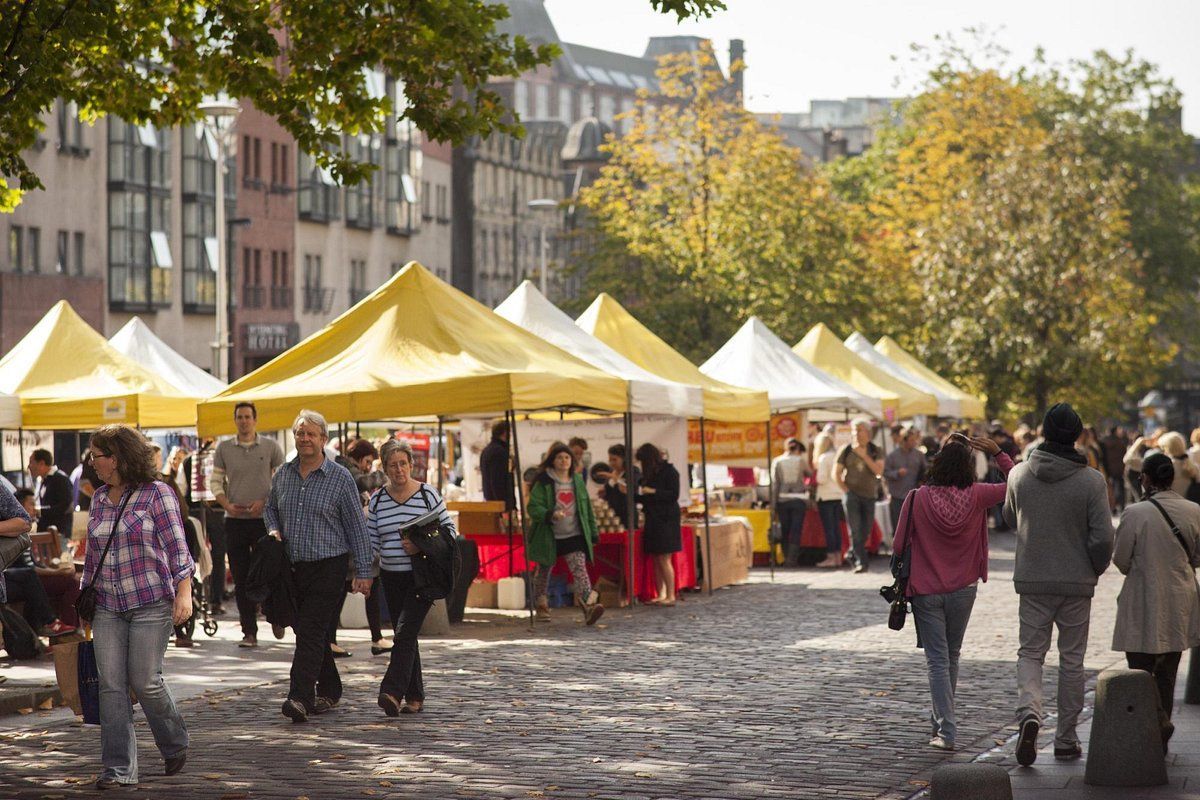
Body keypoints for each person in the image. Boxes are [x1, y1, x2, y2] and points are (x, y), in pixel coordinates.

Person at [82, 424, 193, 789]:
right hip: (108, 606)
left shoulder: (156, 494)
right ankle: (118, 770)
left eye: (96, 455)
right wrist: (85, 601)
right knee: (111, 686)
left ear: (116, 459)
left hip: (150, 602)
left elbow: (178, 547)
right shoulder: (98, 499)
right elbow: (92, 558)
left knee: (145, 680)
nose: (92, 462)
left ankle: (174, 741)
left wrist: (184, 592)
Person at [1003, 402, 1114, 767]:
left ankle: (1030, 714)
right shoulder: (1091, 481)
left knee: (1031, 653)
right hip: (1076, 580)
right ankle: (1066, 738)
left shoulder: (1019, 474)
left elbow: (1009, 517)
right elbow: (1102, 537)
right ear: (1078, 435)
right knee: (1072, 659)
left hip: (1033, 578)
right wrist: (1094, 569)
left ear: (1044, 433)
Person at [893, 433, 1012, 751]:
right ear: (970, 467)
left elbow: (897, 544)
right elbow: (1018, 485)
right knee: (951, 656)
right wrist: (999, 453)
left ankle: (945, 731)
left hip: (926, 589)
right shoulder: (979, 495)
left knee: (937, 660)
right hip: (963, 588)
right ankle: (941, 725)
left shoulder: (917, 497)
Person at [265, 410, 373, 724]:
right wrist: (273, 529)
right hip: (293, 568)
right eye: (300, 433)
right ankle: (331, 685)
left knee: (310, 631)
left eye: (311, 434)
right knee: (308, 630)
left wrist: (363, 571)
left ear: (324, 440)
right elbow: (271, 508)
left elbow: (356, 526)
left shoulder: (340, 478)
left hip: (329, 567)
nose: (305, 439)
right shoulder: (283, 474)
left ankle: (299, 696)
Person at [1111, 453, 1200, 754]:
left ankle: (1154, 724)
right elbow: (1198, 557)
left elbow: (1121, 560)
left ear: (1145, 478)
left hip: (1142, 597)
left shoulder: (1134, 513)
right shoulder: (1193, 510)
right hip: (1179, 597)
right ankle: (1160, 734)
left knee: (1139, 669)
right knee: (1167, 672)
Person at [368, 439, 456, 716]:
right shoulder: (378, 500)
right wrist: (365, 575)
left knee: (404, 633)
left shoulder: (428, 495)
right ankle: (415, 697)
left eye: (403, 464)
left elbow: (450, 533)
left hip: (422, 577)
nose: (399, 470)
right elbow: (372, 542)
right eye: (392, 465)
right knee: (405, 636)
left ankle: (391, 691)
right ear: (384, 468)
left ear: (411, 464)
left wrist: (421, 545)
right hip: (391, 578)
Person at [211, 402, 284, 648]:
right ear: (235, 420)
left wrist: (265, 503)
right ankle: (249, 632)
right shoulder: (224, 448)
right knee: (241, 579)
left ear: (255, 419)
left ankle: (276, 614)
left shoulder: (271, 447)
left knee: (270, 573)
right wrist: (226, 504)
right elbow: (216, 482)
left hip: (265, 521)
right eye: (239, 417)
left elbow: (282, 482)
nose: (243, 421)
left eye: (247, 417)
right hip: (235, 522)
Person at [527, 442, 603, 624]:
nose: (564, 461)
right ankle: (541, 604)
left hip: (573, 533)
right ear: (552, 461)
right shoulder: (544, 481)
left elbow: (586, 509)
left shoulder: (577, 480)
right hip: (549, 535)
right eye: (559, 457)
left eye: (567, 457)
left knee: (579, 569)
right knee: (544, 572)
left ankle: (588, 606)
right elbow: (533, 506)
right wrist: (550, 514)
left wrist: (592, 531)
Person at [4, 489, 75, 636]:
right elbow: (30, 569)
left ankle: (66, 631)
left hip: (18, 580)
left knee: (70, 582)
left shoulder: (20, 530)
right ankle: (49, 623)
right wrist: (57, 571)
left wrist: (58, 570)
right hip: (8, 578)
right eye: (31, 504)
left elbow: (32, 566)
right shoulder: (12, 529)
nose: (35, 508)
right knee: (31, 580)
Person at [637, 443, 682, 605]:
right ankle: (660, 593)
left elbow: (674, 495)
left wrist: (654, 492)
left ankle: (670, 594)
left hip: (666, 519)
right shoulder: (648, 475)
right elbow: (645, 498)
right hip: (652, 518)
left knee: (664, 557)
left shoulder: (670, 471)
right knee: (656, 557)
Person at [836, 418, 883, 574]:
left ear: (868, 433)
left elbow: (878, 471)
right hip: (852, 496)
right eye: (854, 430)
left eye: (859, 430)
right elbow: (835, 473)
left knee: (866, 530)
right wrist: (846, 490)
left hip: (869, 495)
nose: (855, 433)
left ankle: (852, 552)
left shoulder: (876, 450)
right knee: (855, 529)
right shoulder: (846, 449)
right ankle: (861, 562)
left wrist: (864, 456)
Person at [771, 438, 812, 567]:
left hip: (782, 499)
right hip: (799, 499)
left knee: (785, 529)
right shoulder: (801, 461)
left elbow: (774, 484)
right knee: (796, 529)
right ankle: (792, 559)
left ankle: (785, 556)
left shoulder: (777, 461)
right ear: (798, 449)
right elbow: (810, 475)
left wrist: (773, 504)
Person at [884, 427, 925, 549]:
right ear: (904, 440)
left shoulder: (919, 455)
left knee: (915, 524)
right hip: (897, 496)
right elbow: (885, 473)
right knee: (898, 525)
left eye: (915, 440)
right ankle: (899, 551)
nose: (914, 443)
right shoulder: (892, 456)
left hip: (914, 495)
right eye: (911, 440)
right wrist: (896, 473)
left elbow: (924, 471)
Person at [812, 433, 845, 569]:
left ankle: (831, 556)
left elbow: (821, 478)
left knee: (829, 528)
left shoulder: (823, 458)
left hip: (826, 496)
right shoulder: (838, 455)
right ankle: (837, 557)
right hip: (838, 495)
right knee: (836, 528)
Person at [28, 448, 73, 546]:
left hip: (58, 535)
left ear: (41, 463)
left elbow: (64, 506)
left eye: (31, 462)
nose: (29, 466)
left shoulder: (61, 479)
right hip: (45, 534)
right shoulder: (43, 480)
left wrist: (39, 511)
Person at [600, 443, 640, 525]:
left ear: (624, 459)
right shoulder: (612, 472)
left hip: (627, 516)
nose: (611, 463)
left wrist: (613, 477)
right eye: (610, 460)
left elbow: (627, 490)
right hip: (612, 517)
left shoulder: (633, 471)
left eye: (614, 460)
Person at [480, 420, 515, 510]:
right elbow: (497, 480)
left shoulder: (486, 450)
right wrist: (504, 506)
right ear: (504, 433)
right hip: (500, 504)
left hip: (490, 501)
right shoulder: (499, 452)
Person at [1157, 432, 1199, 500]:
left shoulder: (1166, 468)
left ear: (1168, 448)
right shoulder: (1194, 467)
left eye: (1163, 448)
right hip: (1192, 507)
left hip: (1172, 506)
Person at [1101, 426, 1130, 512]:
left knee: (1111, 488)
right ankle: (1121, 506)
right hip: (1119, 468)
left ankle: (1112, 507)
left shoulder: (1104, 442)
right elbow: (1124, 454)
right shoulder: (1120, 442)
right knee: (1120, 487)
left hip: (1109, 469)